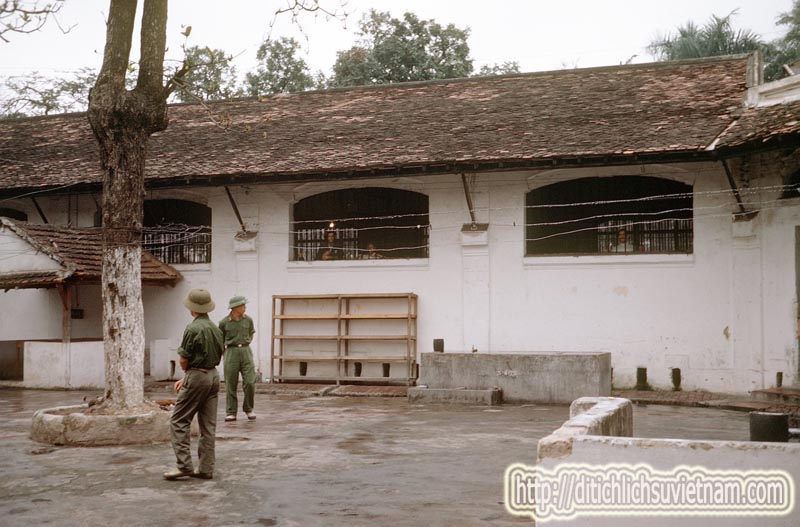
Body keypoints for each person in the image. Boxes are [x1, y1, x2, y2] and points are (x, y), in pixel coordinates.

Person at [164, 288, 223, 481]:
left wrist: (188, 375)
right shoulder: (216, 328)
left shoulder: (192, 328)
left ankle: (184, 466)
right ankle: (206, 468)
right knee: (208, 425)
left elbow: (183, 359)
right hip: (213, 375)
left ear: (192, 309)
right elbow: (219, 354)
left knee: (179, 420)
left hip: (197, 375)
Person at [219, 295, 257, 422]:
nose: (245, 307)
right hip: (231, 351)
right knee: (230, 383)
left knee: (250, 382)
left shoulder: (248, 320)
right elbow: (220, 340)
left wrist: (244, 344)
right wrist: (225, 354)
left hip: (246, 351)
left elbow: (251, 335)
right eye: (243, 305)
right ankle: (231, 412)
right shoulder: (224, 322)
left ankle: (249, 408)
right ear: (235, 307)